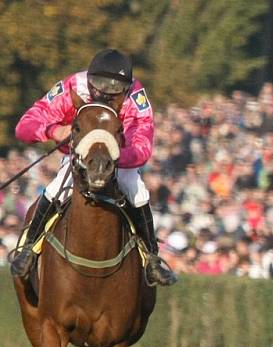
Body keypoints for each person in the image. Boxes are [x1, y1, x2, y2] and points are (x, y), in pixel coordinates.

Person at [11, 48, 177, 286]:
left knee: (136, 188)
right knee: (58, 186)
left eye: (114, 88)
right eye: (99, 84)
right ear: (89, 77)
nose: (105, 92)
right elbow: (25, 125)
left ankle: (152, 259)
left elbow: (142, 146)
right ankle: (28, 249)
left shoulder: (135, 98)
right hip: (80, 156)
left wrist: (113, 157)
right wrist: (54, 131)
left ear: (126, 87)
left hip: (118, 158)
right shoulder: (72, 87)